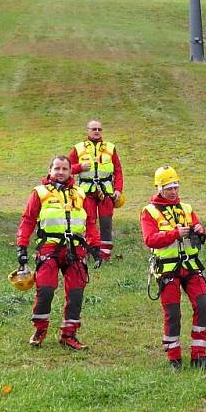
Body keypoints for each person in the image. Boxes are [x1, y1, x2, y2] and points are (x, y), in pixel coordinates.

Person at [16, 155, 101, 349]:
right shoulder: (39, 193)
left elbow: (90, 222)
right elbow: (28, 220)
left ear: (71, 171)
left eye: (64, 169)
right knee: (45, 289)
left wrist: (95, 246)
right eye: (57, 168)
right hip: (49, 248)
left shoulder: (80, 193)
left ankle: (69, 334)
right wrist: (22, 247)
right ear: (50, 170)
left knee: (76, 293)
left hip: (75, 250)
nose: (61, 172)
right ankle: (40, 329)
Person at [141, 166, 206, 370]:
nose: (173, 191)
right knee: (173, 313)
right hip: (167, 269)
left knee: (202, 305)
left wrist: (201, 230)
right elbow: (150, 239)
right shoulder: (149, 212)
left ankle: (199, 355)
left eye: (175, 187)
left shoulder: (187, 208)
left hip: (190, 267)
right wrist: (174, 233)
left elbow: (200, 231)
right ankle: (174, 357)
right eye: (168, 188)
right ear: (159, 188)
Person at [69, 119, 124, 261]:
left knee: (106, 222)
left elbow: (118, 170)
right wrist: (80, 167)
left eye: (99, 129)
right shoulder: (78, 148)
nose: (97, 131)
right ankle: (88, 250)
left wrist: (118, 189)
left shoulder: (111, 147)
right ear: (88, 130)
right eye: (94, 129)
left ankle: (105, 254)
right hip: (86, 191)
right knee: (88, 220)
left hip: (106, 191)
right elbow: (67, 169)